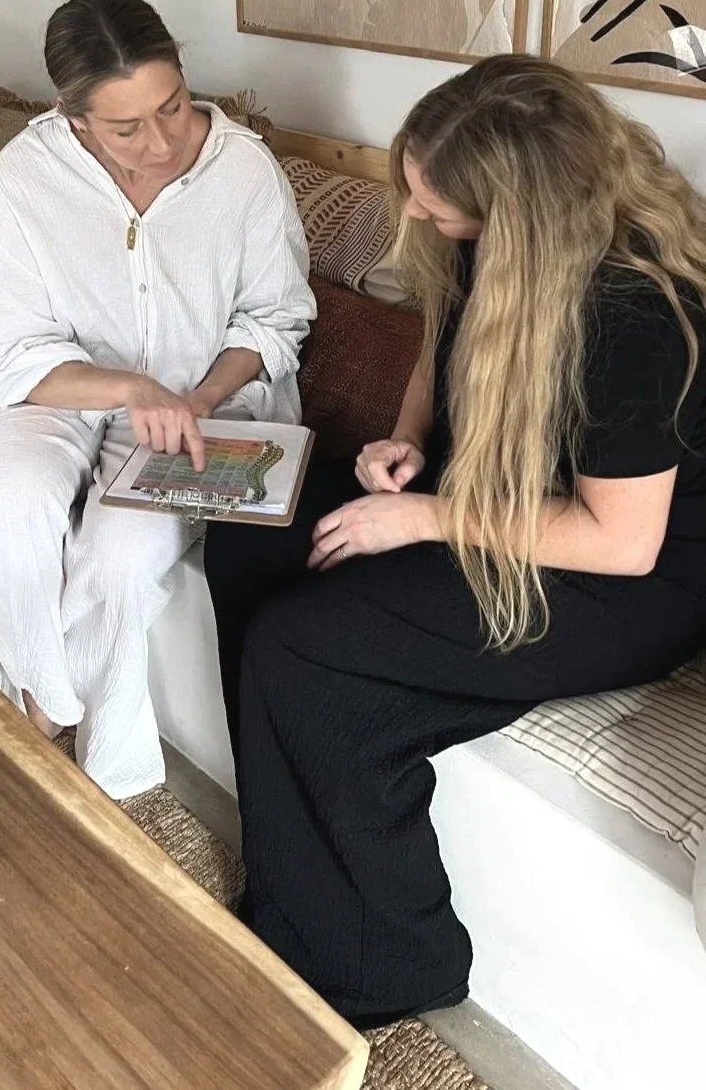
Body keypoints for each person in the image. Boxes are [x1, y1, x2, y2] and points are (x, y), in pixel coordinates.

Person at [204, 54, 706, 1030]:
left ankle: (390, 960)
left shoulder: (636, 310)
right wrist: (405, 441)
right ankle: (296, 881)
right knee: (250, 545)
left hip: (618, 578)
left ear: (521, 209)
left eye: (440, 209)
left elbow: (622, 540)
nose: (422, 218)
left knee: (303, 647)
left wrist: (425, 514)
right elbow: (446, 340)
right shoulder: (494, 244)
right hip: (494, 495)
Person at [0, 0, 314, 800]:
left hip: (205, 408)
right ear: (71, 117)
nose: (160, 142)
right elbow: (18, 347)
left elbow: (277, 319)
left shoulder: (243, 169)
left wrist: (197, 395)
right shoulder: (27, 175)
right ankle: (43, 708)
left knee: (119, 560)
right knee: (5, 505)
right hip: (61, 393)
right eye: (125, 127)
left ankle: (84, 760)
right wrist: (129, 386)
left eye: (173, 106)